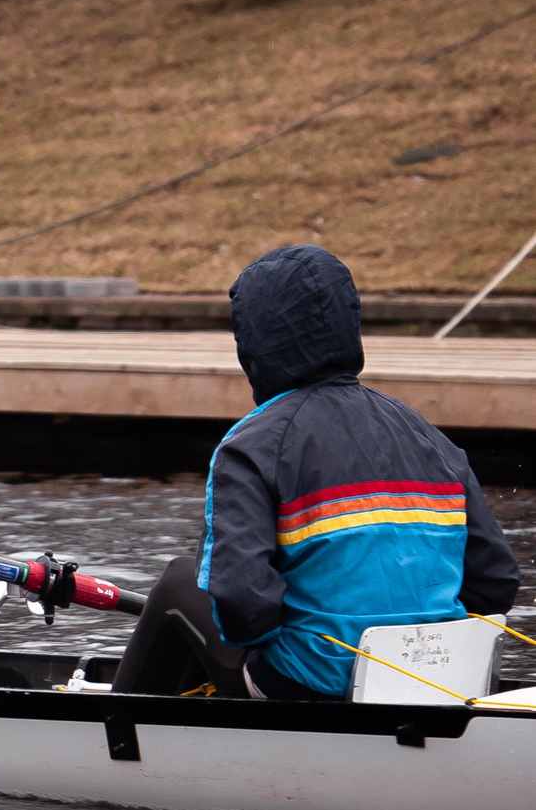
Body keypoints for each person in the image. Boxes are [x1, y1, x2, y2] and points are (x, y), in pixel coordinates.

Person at [114, 246, 520, 701]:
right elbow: (496, 581)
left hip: (310, 687)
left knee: (178, 582)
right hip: (437, 682)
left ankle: (114, 733)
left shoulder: (250, 445)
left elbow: (243, 606)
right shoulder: (429, 436)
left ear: (253, 339)